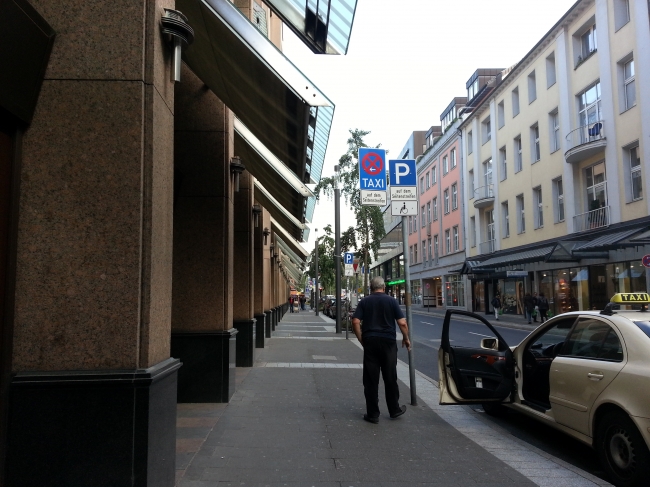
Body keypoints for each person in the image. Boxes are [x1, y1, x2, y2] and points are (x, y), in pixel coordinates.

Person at [351, 276, 411, 424]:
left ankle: (373, 414)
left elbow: (355, 321)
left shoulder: (365, 301)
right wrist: (406, 338)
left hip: (370, 342)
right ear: (384, 287)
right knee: (390, 376)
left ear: (371, 288)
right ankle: (394, 409)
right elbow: (402, 323)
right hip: (388, 343)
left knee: (371, 379)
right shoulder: (391, 301)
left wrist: (361, 339)